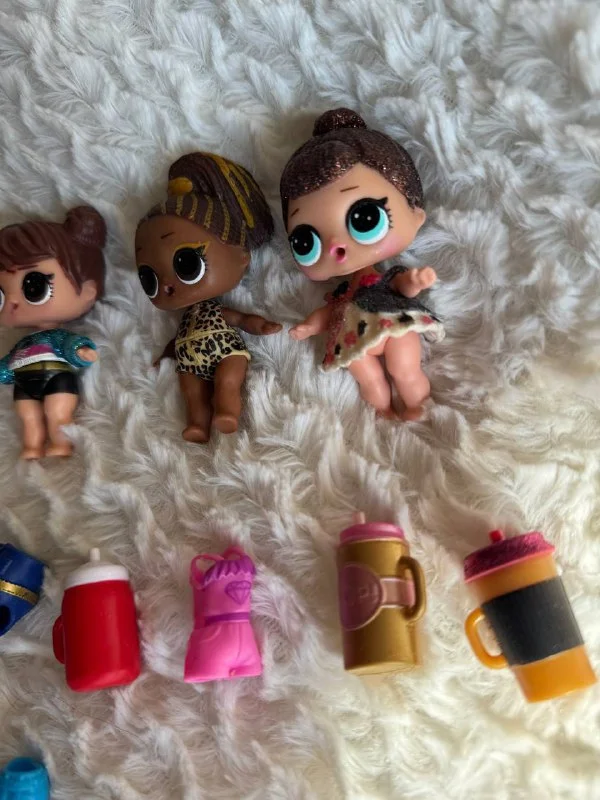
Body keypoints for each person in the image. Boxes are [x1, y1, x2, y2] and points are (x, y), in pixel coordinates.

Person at [280, 108, 444, 420]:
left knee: (404, 368)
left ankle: (417, 404)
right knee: (368, 379)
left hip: (393, 325)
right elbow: (328, 314)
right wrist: (310, 326)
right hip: (352, 339)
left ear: (415, 213)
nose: (336, 246)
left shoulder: (385, 278)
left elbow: (402, 287)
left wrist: (415, 282)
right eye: (306, 240)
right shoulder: (341, 294)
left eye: (365, 218)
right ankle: (382, 410)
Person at [135, 152, 281, 443]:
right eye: (149, 278)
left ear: (240, 254)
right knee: (191, 390)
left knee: (227, 379)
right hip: (189, 357)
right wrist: (167, 354)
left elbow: (240, 319)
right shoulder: (185, 320)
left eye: (187, 263)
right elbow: (176, 340)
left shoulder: (217, 311)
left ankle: (227, 410)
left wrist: (260, 325)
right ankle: (198, 423)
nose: (167, 286)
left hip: (225, 350)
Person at [0, 207, 106, 458]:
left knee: (56, 411)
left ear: (88, 290)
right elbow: (9, 364)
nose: (12, 302)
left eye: (34, 287)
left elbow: (69, 345)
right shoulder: (22, 344)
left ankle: (60, 442)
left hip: (57, 378)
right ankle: (32, 445)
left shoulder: (55, 337)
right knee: (28, 416)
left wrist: (80, 352)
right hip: (25, 383)